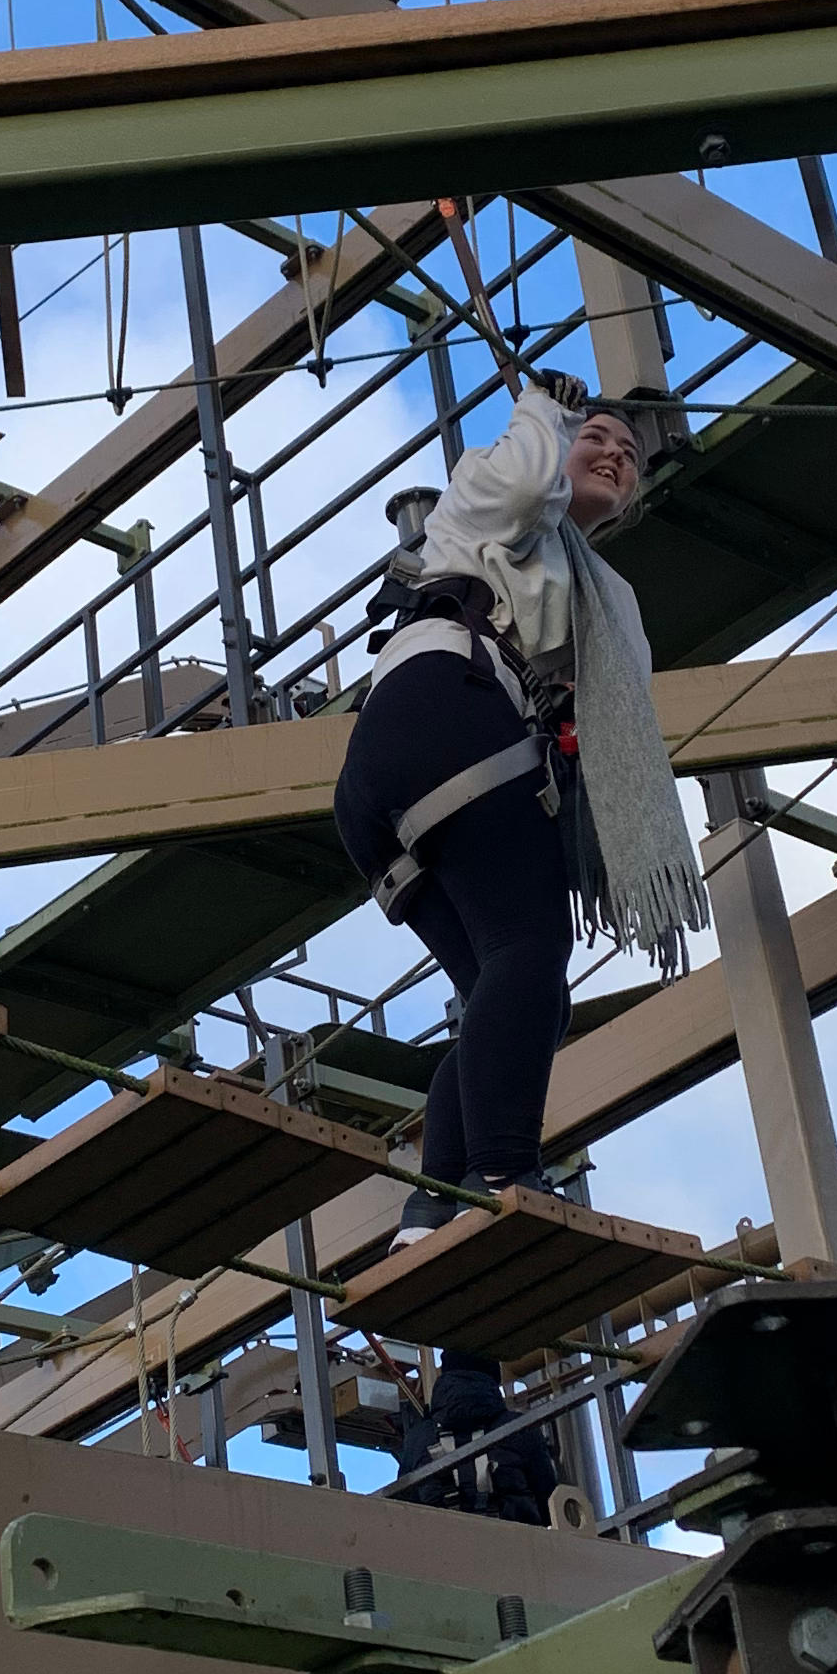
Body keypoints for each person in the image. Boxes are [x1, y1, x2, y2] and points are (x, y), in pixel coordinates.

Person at [332, 371, 709, 1260]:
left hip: (397, 765)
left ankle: (431, 1212)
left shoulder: (601, 596)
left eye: (628, 454)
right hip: (449, 708)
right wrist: (543, 412)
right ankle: (503, 1173)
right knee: (528, 953)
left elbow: (603, 710)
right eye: (596, 441)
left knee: (512, 995)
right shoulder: (486, 504)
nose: (614, 455)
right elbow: (526, 485)